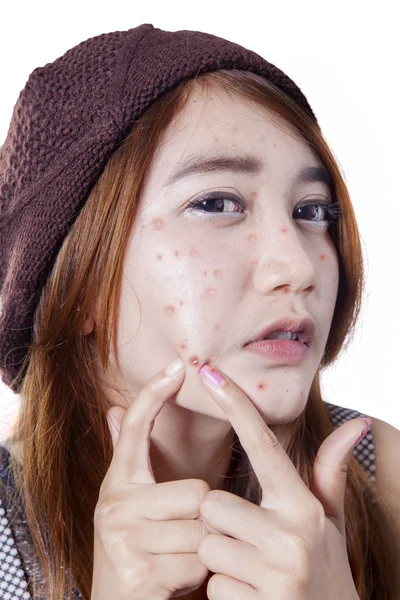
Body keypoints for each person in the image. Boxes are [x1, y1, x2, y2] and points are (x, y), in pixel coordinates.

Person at [0, 24, 399, 600]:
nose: (298, 267)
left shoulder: (378, 474)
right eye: (216, 203)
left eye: (313, 210)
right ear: (80, 282)